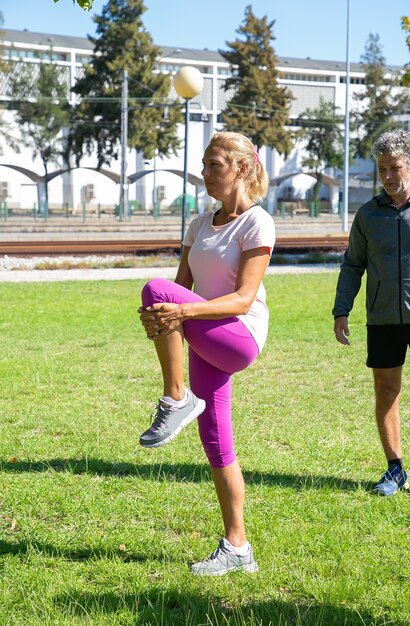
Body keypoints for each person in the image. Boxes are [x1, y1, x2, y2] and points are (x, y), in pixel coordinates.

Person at [138, 131, 275, 575]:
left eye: (214, 163)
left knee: (156, 289)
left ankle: (176, 398)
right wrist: (159, 319)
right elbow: (182, 290)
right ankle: (238, 547)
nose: (204, 172)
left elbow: (241, 298)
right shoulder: (198, 223)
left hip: (238, 334)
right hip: (202, 329)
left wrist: (174, 308)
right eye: (203, 164)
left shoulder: (257, 223)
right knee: (217, 443)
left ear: (242, 168)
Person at [333, 128, 410, 496]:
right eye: (382, 168)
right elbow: (353, 265)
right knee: (386, 391)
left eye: (394, 167)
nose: (387, 176)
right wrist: (341, 309)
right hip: (382, 319)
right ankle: (395, 469)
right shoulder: (368, 214)